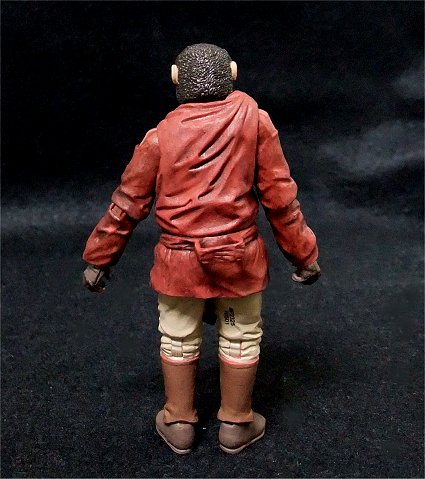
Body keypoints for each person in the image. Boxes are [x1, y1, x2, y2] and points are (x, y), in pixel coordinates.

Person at [82, 43, 320, 455]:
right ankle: (236, 422)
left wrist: (99, 258)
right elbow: (280, 197)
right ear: (233, 72)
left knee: (177, 337)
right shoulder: (256, 123)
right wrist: (304, 253)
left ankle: (178, 421)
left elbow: (127, 203)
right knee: (241, 336)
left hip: (180, 264)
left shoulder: (159, 137)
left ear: (176, 78)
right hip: (238, 258)